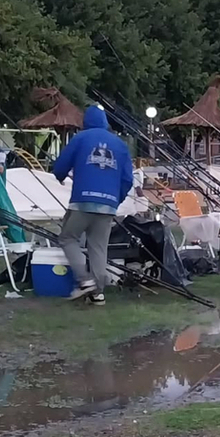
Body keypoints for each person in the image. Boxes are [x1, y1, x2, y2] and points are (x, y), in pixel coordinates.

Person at [53, 105, 133, 306]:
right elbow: (127, 180)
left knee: (68, 238)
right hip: (108, 205)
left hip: (82, 201)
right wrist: (116, 199)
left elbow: (60, 166)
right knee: (98, 248)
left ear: (85, 122)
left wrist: (61, 175)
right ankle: (98, 293)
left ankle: (84, 279)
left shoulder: (80, 138)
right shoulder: (120, 145)